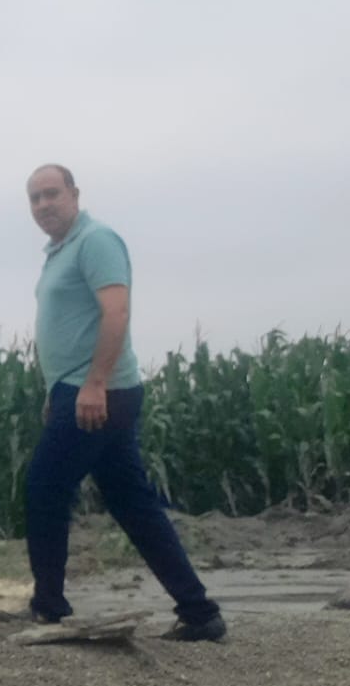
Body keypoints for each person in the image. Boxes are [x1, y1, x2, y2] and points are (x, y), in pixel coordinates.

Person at [23, 163, 226, 641]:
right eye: (34, 198)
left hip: (99, 391)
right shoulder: (60, 251)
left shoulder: (96, 240)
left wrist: (94, 384)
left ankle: (49, 607)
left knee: (44, 489)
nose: (43, 205)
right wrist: (58, 391)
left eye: (52, 194)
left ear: (74, 194)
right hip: (80, 390)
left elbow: (116, 312)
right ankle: (200, 614)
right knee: (132, 502)